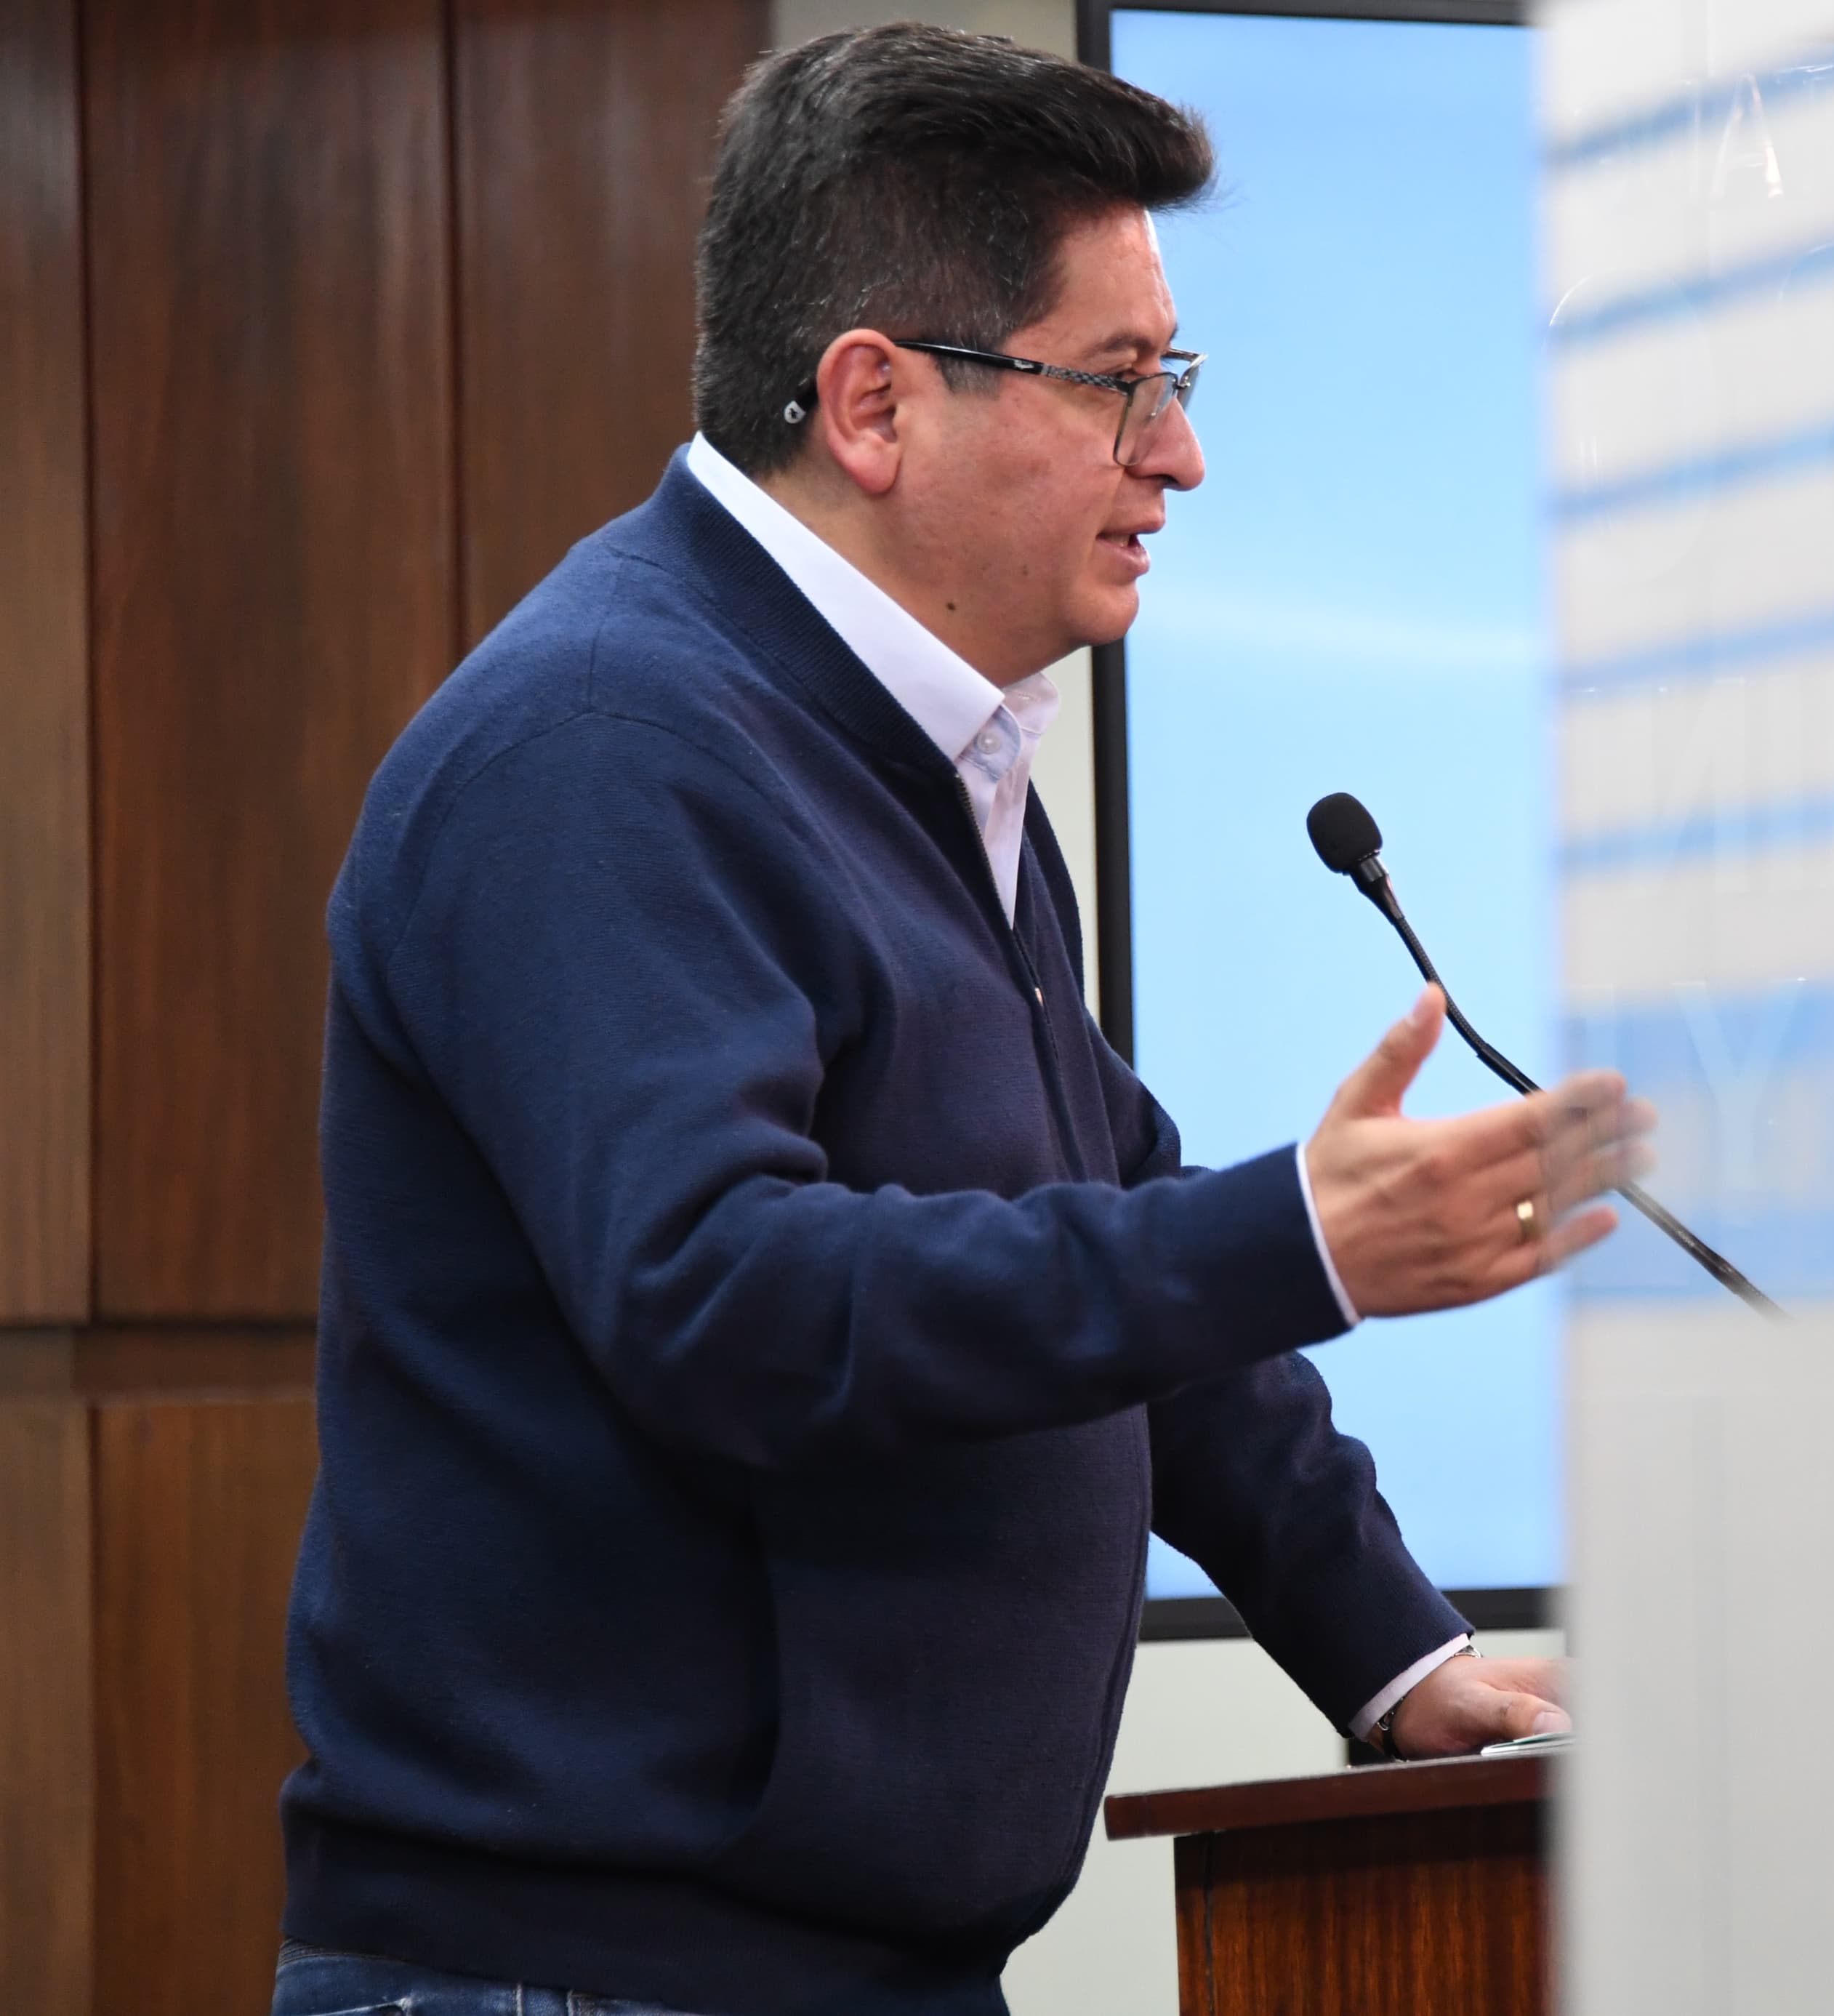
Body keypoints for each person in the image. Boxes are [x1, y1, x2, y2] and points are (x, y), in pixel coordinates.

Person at [272, 27, 1641, 2016]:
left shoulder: (934, 759)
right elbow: (722, 1297)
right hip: (590, 1977)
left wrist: (1398, 1652)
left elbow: (1125, 1252)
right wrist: (1298, 1238)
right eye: (1121, 383)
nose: (1179, 455)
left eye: (1177, 381)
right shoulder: (603, 747)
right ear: (874, 402)